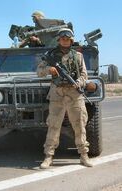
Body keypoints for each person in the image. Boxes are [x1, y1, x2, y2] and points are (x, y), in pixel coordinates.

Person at [37, 28, 93, 169]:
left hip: (74, 94)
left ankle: (83, 155)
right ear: (58, 40)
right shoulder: (50, 55)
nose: (65, 40)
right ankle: (48, 156)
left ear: (71, 40)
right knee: (54, 125)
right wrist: (48, 70)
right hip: (57, 93)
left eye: (67, 39)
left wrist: (78, 83)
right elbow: (39, 72)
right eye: (62, 38)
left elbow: (84, 75)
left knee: (79, 125)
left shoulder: (78, 56)